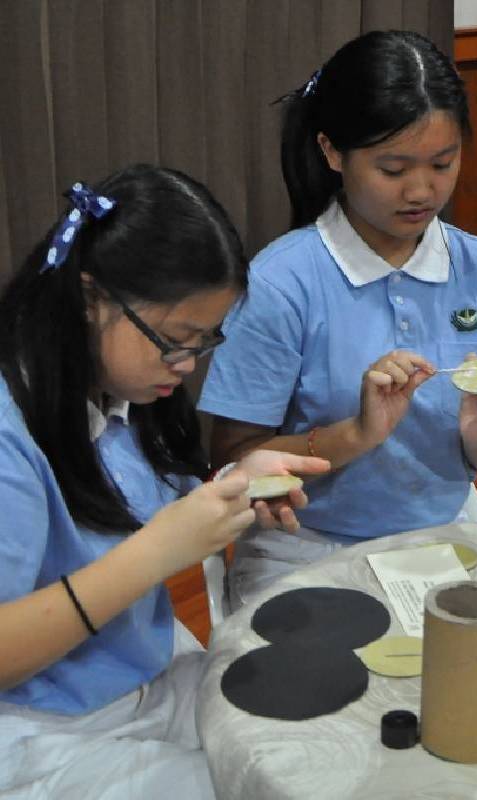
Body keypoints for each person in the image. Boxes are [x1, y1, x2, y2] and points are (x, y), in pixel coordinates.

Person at [0, 165, 329, 798]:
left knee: (295, 749)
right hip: (39, 725)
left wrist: (235, 485)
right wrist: (158, 551)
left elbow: (161, 501)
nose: (185, 366)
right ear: (91, 298)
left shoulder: (120, 392)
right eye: (174, 342)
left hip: (139, 678)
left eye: (204, 343)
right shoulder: (14, 431)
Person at [198, 30, 477, 608]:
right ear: (332, 152)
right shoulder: (283, 281)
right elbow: (234, 462)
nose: (421, 190)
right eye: (392, 168)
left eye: (443, 163)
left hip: (442, 532)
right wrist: (355, 435)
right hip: (306, 544)